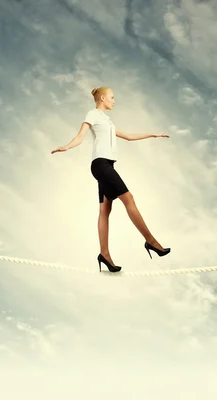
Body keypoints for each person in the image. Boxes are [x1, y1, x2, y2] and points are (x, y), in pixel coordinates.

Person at [51, 87, 170, 273]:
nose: (114, 101)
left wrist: (153, 134)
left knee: (104, 210)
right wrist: (66, 146)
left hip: (107, 166)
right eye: (112, 97)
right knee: (128, 199)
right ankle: (151, 242)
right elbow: (81, 136)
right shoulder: (93, 114)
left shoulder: (107, 121)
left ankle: (104, 255)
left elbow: (129, 137)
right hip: (100, 165)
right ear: (102, 98)